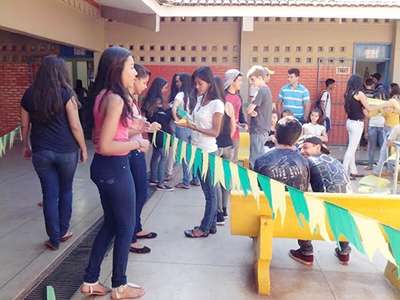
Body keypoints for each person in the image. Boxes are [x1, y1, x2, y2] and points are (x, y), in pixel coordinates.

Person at [81, 47, 145, 299]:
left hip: (103, 167)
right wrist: (137, 143)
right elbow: (106, 144)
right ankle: (119, 285)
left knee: (111, 223)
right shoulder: (116, 99)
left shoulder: (103, 95)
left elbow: (104, 136)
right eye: (130, 66)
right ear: (117, 69)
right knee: (126, 226)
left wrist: (133, 132)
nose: (133, 71)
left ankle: (90, 280)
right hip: (115, 167)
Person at [20, 55, 87, 251]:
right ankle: (64, 231)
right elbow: (75, 125)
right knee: (66, 191)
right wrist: (83, 147)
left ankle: (53, 238)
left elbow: (24, 124)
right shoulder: (66, 93)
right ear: (61, 72)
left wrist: (26, 146)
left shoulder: (29, 94)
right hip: (66, 151)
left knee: (49, 194)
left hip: (41, 151)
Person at [290, 136, 352, 266]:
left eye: (306, 147)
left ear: (318, 147)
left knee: (300, 205)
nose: (302, 151)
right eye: (301, 148)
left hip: (324, 212)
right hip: (345, 210)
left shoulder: (308, 162)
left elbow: (302, 189)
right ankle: (344, 252)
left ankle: (306, 252)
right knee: (342, 208)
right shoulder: (335, 161)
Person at [180, 66, 224, 238]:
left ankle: (204, 228)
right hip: (197, 149)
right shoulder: (200, 100)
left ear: (209, 83)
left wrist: (192, 126)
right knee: (207, 192)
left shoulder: (217, 104)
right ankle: (211, 225)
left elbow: (215, 132)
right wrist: (186, 121)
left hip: (208, 152)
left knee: (210, 194)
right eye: (195, 83)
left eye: (200, 83)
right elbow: (195, 122)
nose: (196, 86)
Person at [129, 64, 161, 254]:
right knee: (138, 194)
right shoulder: (119, 100)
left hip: (137, 149)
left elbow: (135, 123)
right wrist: (144, 129)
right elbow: (121, 131)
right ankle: (130, 236)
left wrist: (146, 126)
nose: (144, 87)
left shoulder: (132, 100)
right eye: (143, 82)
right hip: (131, 151)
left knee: (141, 192)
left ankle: (136, 227)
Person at [254, 116, 309, 192]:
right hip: (296, 203)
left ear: (275, 134)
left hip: (269, 203)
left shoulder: (261, 161)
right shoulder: (304, 162)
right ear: (297, 139)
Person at [144, 77, 174, 191]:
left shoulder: (149, 100)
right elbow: (162, 119)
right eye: (165, 87)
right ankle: (161, 183)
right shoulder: (157, 100)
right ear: (159, 87)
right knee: (163, 157)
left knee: (156, 155)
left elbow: (154, 117)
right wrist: (171, 110)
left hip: (154, 134)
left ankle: (153, 179)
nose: (165, 90)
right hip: (161, 133)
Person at [172, 73, 199, 189]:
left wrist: (176, 119)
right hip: (193, 127)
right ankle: (196, 179)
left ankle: (186, 181)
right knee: (193, 153)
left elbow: (174, 108)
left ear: (184, 82)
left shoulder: (181, 94)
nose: (177, 83)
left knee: (185, 154)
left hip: (182, 127)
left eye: (179, 81)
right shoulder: (194, 95)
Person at [215, 76, 236, 225]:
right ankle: (224, 208)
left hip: (215, 145)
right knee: (225, 178)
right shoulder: (228, 104)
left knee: (215, 179)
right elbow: (233, 126)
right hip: (228, 144)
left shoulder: (212, 104)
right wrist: (228, 137)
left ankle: (218, 213)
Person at [342, 75, 372, 179]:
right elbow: (369, 108)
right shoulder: (360, 94)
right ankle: (344, 173)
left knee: (352, 148)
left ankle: (353, 171)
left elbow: (360, 108)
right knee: (351, 149)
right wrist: (383, 106)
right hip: (357, 124)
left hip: (349, 122)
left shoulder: (347, 94)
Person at [246, 65, 274, 168]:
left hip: (258, 129)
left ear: (260, 78)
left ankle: (254, 182)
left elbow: (249, 109)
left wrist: (250, 111)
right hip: (264, 128)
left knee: (255, 159)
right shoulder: (267, 90)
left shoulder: (261, 91)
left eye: (253, 79)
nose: (251, 83)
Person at [224, 69, 248, 162]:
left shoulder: (238, 96)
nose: (241, 83)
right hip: (226, 134)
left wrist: (244, 122)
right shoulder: (223, 96)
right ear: (231, 81)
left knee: (234, 161)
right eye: (239, 80)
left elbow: (240, 112)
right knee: (225, 161)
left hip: (236, 134)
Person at [363, 78, 385, 170]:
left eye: (381, 96)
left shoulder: (386, 105)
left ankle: (382, 165)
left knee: (383, 149)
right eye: (378, 96)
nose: (379, 98)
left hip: (383, 127)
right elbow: (366, 117)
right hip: (372, 126)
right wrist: (366, 131)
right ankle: (370, 165)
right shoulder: (370, 105)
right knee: (371, 148)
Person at [165, 73, 183, 181]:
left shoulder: (186, 94)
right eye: (176, 81)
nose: (178, 83)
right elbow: (171, 110)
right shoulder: (175, 95)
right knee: (172, 149)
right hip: (173, 124)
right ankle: (169, 172)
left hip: (184, 125)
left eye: (179, 81)